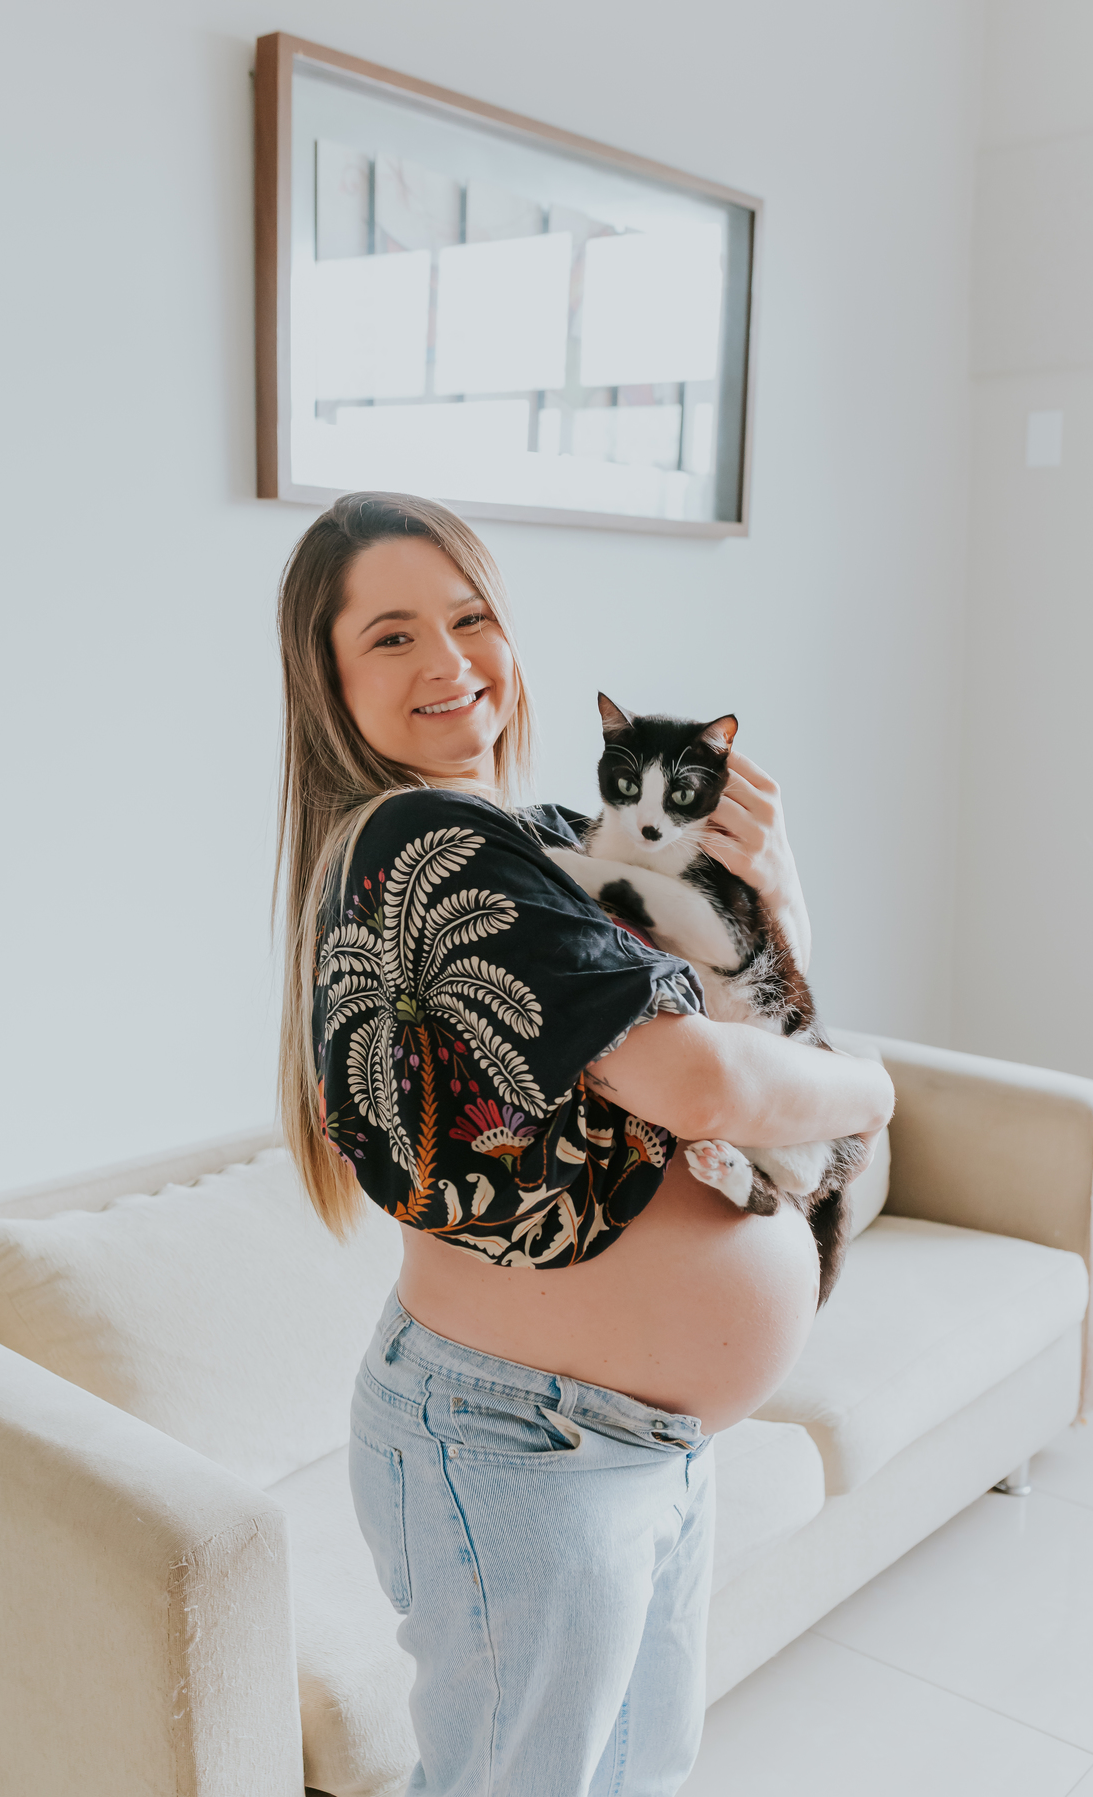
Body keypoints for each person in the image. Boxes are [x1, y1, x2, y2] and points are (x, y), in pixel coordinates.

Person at [275, 493, 893, 1797]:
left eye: (471, 616)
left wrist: (779, 900)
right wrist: (875, 1091)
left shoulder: (545, 842)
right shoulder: (423, 842)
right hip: (519, 1441)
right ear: (327, 680)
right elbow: (707, 1080)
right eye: (392, 635)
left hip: (625, 1439)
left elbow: (746, 1012)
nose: (450, 660)